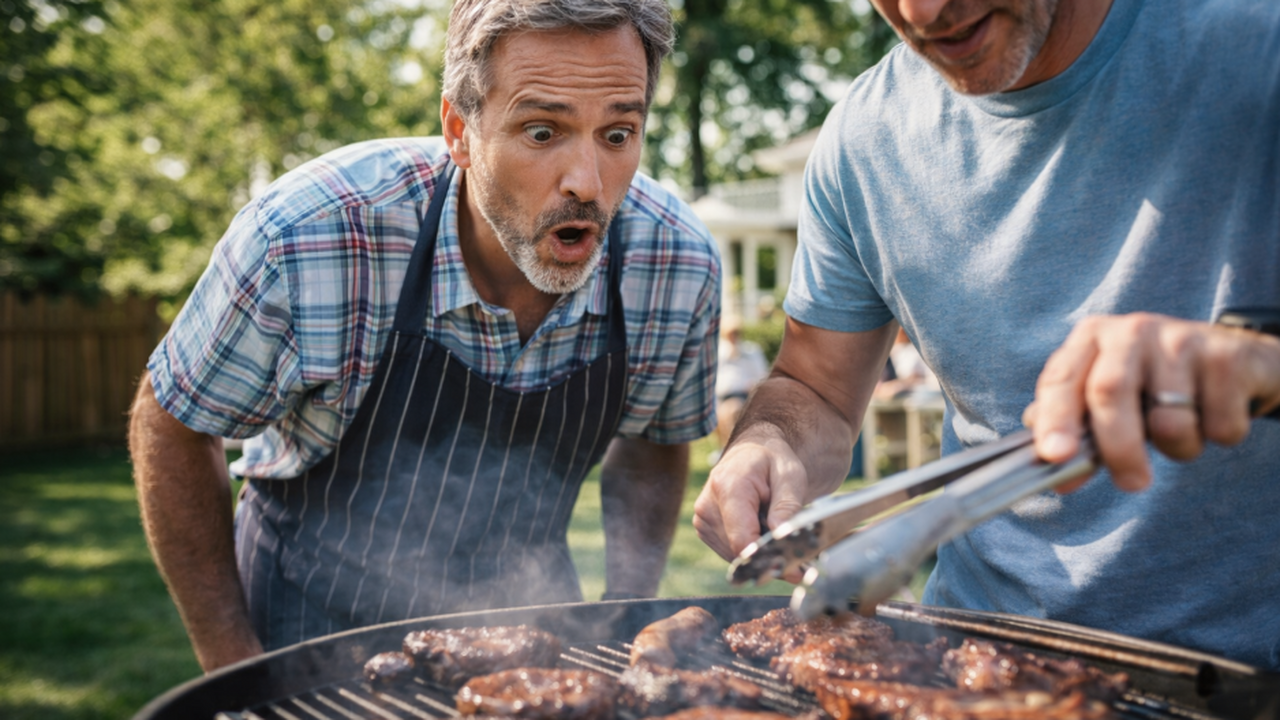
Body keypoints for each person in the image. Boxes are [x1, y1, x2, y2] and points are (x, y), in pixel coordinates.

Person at [129, 0, 720, 672]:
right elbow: (173, 421)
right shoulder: (310, 237)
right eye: (541, 131)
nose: (586, 183)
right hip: (305, 621)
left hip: (531, 626)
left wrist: (624, 619)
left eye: (617, 135)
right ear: (459, 129)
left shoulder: (674, 264)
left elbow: (652, 446)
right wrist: (235, 666)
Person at [694, 0, 1280, 670]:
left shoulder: (1256, 44)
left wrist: (1257, 363)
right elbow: (814, 388)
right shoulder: (864, 139)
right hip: (973, 665)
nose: (925, 11)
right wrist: (770, 440)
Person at [713, 316, 770, 454]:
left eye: (736, 333)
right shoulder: (718, 353)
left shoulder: (751, 351)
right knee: (725, 411)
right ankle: (730, 449)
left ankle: (733, 450)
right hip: (721, 397)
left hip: (746, 395)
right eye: (730, 334)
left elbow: (763, 376)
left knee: (733, 410)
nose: (734, 337)